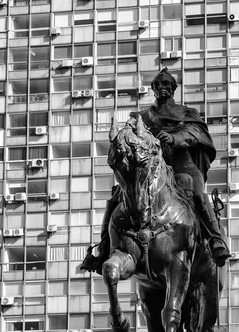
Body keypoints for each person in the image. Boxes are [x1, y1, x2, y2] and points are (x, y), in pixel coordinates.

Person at [81, 68, 230, 274]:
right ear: (152, 89)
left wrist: (175, 138)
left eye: (166, 85)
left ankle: (215, 239)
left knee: (197, 194)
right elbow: (129, 136)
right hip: (149, 170)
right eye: (157, 85)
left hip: (182, 166)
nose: (162, 88)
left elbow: (196, 133)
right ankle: (103, 248)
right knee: (116, 198)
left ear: (173, 89)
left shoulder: (187, 113)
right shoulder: (140, 117)